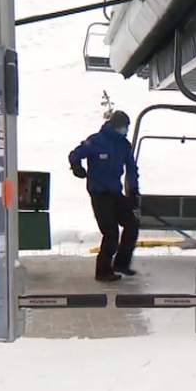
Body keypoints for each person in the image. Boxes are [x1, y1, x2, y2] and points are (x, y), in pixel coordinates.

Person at [68, 110, 140, 282]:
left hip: (115, 192)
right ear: (115, 126)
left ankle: (121, 263)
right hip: (99, 193)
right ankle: (103, 271)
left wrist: (134, 192)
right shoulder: (96, 141)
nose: (125, 130)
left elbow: (131, 169)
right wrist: (77, 167)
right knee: (111, 232)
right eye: (124, 127)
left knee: (132, 224)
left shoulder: (124, 145)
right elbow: (75, 154)